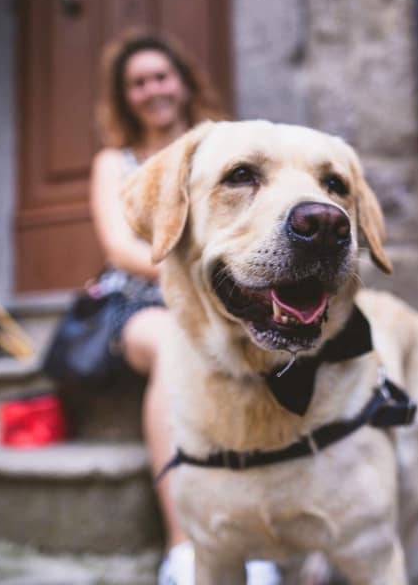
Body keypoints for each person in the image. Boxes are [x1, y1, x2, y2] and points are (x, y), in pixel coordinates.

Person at [90, 31, 280, 585]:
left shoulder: (228, 150)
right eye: (137, 82)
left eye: (160, 76)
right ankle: (186, 548)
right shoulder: (114, 161)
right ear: (126, 96)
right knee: (178, 349)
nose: (152, 90)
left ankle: (252, 538)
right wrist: (197, 270)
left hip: (226, 296)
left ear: (182, 81)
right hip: (141, 302)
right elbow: (120, 249)